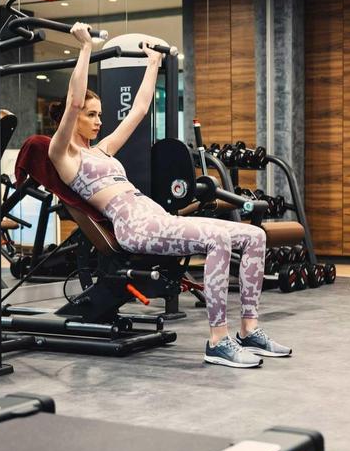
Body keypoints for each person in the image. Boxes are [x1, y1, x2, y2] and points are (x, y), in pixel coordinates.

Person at [48, 23, 291, 369]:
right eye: (91, 115)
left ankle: (249, 330)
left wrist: (153, 63)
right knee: (219, 239)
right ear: (72, 118)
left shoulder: (103, 150)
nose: (99, 121)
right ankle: (218, 341)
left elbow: (139, 110)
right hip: (134, 226)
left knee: (255, 236)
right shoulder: (64, 156)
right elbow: (74, 101)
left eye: (100, 114)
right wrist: (85, 48)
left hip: (155, 216)